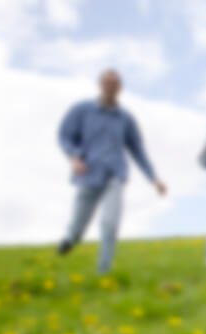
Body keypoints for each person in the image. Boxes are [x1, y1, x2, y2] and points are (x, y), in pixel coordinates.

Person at [56, 69, 168, 273]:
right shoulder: (81, 110)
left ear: (120, 88)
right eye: (107, 83)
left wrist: (154, 179)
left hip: (115, 176)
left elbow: (138, 150)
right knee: (78, 225)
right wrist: (74, 157)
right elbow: (64, 136)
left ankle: (103, 271)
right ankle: (70, 239)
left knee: (110, 224)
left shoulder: (125, 118)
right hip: (87, 174)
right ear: (100, 85)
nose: (111, 87)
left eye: (115, 84)